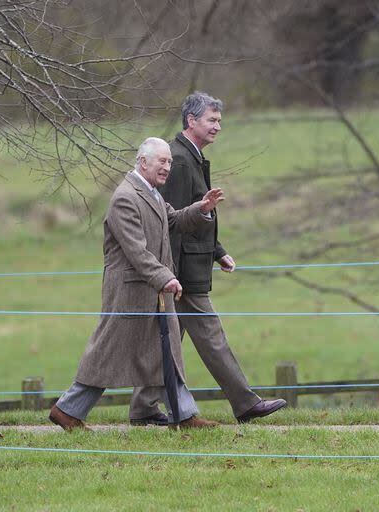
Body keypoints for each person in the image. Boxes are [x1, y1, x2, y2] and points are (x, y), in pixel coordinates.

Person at [128, 92, 286, 426]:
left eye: (219, 120)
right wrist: (166, 274)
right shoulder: (182, 160)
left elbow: (194, 214)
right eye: (211, 120)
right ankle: (246, 403)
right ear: (191, 121)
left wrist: (218, 252)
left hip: (190, 267)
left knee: (165, 342)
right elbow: (168, 221)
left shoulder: (191, 157)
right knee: (212, 338)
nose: (217, 126)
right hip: (183, 272)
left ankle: (143, 408)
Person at [49, 137, 224, 431]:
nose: (168, 167)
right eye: (162, 161)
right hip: (129, 293)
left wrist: (201, 208)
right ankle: (67, 410)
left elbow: (174, 221)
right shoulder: (125, 198)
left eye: (169, 161)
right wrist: (165, 277)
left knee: (167, 353)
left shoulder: (151, 193)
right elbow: (136, 251)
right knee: (106, 355)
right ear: (143, 162)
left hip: (151, 291)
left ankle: (184, 415)